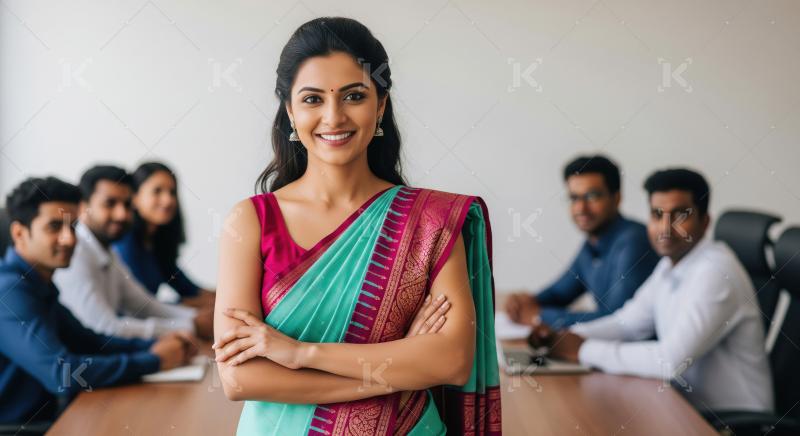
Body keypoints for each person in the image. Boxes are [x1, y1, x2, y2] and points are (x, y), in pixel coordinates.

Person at [212, 17, 501, 435]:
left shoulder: (430, 221)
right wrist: (400, 365)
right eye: (312, 99)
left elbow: (452, 362)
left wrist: (299, 354)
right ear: (290, 111)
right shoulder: (251, 220)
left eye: (353, 96)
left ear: (380, 104)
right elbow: (241, 379)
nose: (334, 117)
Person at [528, 169, 773, 412]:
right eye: (657, 214)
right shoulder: (670, 264)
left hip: (734, 423)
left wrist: (583, 350)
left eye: (679, 215)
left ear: (705, 221)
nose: (665, 228)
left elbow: (671, 361)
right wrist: (566, 336)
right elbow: (628, 323)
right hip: (685, 409)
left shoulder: (716, 271)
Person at [0, 177, 191, 431]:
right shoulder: (10, 291)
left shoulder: (38, 284)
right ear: (19, 233)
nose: (69, 239)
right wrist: (154, 360)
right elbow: (64, 374)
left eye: (74, 226)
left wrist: (156, 345)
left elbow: (91, 341)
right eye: (54, 227)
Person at [53, 165, 213, 340]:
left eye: (127, 204)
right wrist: (192, 325)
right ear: (82, 207)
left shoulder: (107, 250)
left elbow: (145, 306)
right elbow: (104, 327)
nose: (122, 214)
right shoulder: (74, 252)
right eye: (110, 203)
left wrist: (195, 319)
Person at [506, 155, 658, 328]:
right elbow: (558, 293)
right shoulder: (592, 244)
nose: (581, 208)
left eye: (592, 196)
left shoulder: (634, 241)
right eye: (574, 198)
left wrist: (540, 316)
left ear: (616, 198)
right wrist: (522, 303)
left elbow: (617, 319)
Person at [113, 162, 214, 309]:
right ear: (134, 197)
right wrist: (194, 305)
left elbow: (191, 290)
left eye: (172, 192)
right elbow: (138, 306)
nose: (168, 200)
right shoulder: (124, 242)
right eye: (157, 191)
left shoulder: (158, 244)